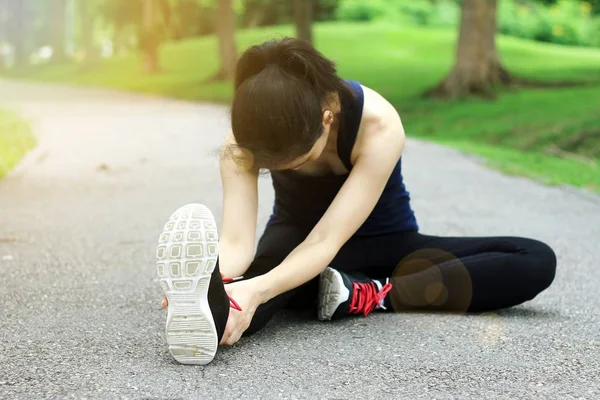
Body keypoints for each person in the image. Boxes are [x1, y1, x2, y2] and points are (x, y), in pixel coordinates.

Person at [155, 37, 557, 365]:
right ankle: (210, 317)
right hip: (295, 243)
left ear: (326, 119)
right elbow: (238, 242)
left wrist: (261, 288)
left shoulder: (379, 125)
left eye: (295, 160)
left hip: (385, 244)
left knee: (534, 258)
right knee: (253, 286)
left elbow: (325, 242)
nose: (282, 169)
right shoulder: (244, 140)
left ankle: (372, 294)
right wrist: (212, 278)